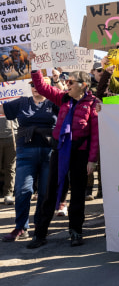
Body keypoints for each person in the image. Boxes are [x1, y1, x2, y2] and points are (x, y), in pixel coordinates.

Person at [26, 60, 100, 250]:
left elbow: (95, 135)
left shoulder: (93, 105)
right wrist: (34, 66)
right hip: (60, 151)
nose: (67, 84)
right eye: (66, 82)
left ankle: (76, 231)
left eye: (71, 82)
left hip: (80, 154)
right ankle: (40, 233)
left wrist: (92, 160)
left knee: (77, 193)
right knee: (50, 193)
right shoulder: (63, 99)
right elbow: (42, 87)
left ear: (83, 85)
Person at [0, 78, 57, 241]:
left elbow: (71, 108)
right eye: (33, 85)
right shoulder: (22, 102)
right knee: (23, 190)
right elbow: (2, 109)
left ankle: (41, 226)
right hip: (26, 152)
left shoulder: (54, 103)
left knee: (45, 192)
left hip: (49, 152)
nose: (36, 88)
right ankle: (21, 227)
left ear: (48, 87)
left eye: (39, 85)